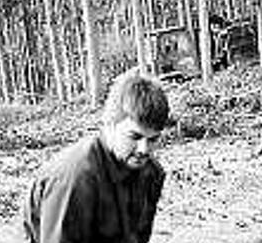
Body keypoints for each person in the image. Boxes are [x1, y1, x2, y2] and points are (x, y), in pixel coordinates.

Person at [22, 67, 170, 243]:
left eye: (153, 140)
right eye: (135, 137)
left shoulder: (150, 173)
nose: (144, 149)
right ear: (110, 125)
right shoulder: (75, 178)